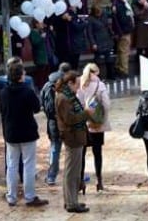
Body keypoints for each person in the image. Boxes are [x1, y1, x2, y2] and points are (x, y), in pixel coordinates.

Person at [0, 61, 48, 207]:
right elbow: (36, 108)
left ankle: (11, 196)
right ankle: (29, 196)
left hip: (11, 132)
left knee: (12, 164)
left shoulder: (4, 92)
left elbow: (2, 110)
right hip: (27, 132)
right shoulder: (27, 91)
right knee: (28, 165)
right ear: (21, 76)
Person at [54, 71, 92, 213]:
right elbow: (69, 119)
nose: (79, 87)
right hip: (72, 137)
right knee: (71, 171)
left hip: (76, 136)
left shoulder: (68, 96)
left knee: (75, 171)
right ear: (70, 83)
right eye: (77, 84)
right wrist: (86, 113)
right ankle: (70, 203)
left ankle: (72, 200)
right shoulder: (63, 98)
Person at [77, 63, 111, 192]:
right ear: (96, 72)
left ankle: (81, 181)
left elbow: (78, 102)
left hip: (84, 124)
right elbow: (106, 104)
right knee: (98, 153)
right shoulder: (100, 85)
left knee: (82, 153)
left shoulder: (80, 84)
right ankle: (99, 181)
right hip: (96, 123)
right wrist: (102, 118)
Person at [41, 63, 72, 185]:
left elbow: (42, 104)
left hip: (52, 123)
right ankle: (74, 175)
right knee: (72, 150)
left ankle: (51, 176)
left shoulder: (47, 85)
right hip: (66, 123)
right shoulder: (66, 85)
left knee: (55, 148)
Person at [111, 0, 134, 78]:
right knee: (124, 51)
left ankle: (118, 68)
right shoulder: (119, 5)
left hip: (121, 31)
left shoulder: (117, 4)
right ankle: (124, 70)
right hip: (124, 31)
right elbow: (123, 19)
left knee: (120, 50)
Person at [87, 7, 115, 80]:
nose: (99, 14)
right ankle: (98, 77)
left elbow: (108, 27)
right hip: (97, 41)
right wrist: (93, 43)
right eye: (97, 13)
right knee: (97, 60)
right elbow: (90, 33)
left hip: (106, 39)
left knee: (109, 59)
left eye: (100, 13)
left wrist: (112, 35)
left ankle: (111, 76)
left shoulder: (104, 16)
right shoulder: (90, 19)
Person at [133, 0, 148, 64]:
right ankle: (138, 66)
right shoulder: (136, 6)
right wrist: (144, 9)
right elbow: (138, 16)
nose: (144, 0)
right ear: (139, 0)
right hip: (140, 30)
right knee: (140, 49)